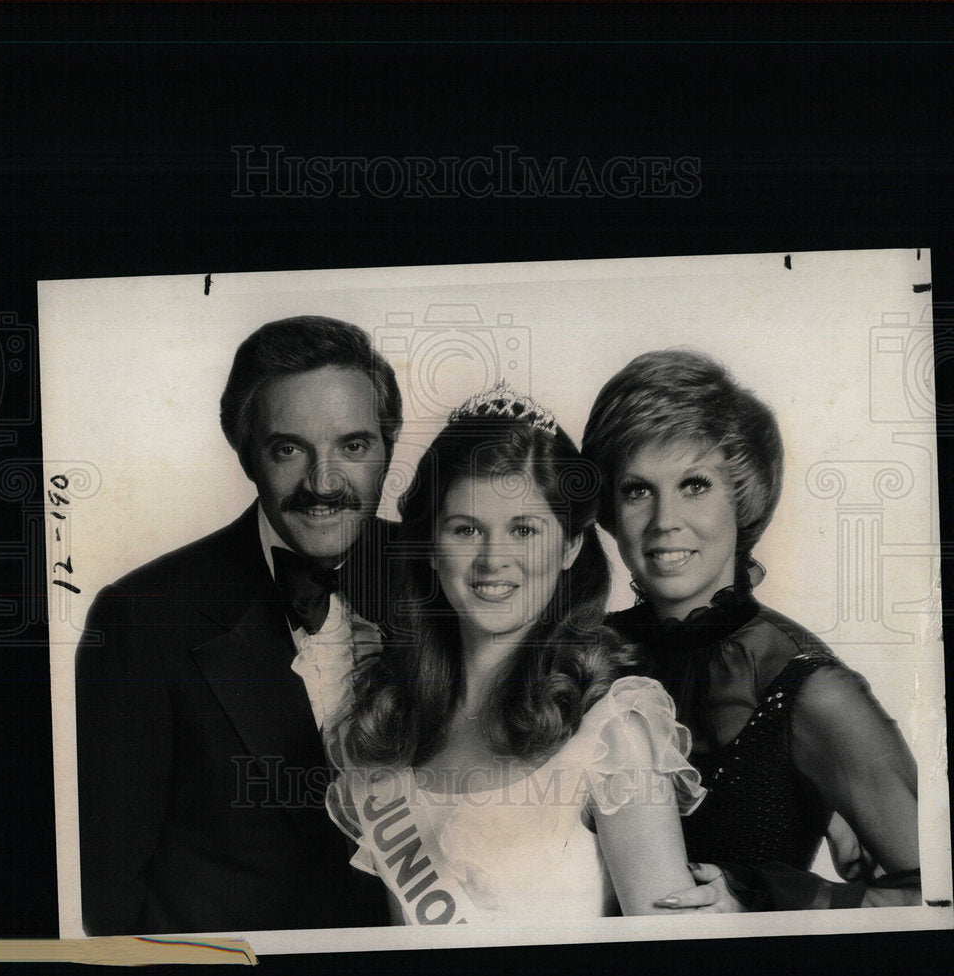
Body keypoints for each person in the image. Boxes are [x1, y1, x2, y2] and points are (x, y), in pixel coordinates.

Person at [324, 382, 706, 924]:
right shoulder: (389, 721)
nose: (491, 560)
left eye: (523, 529)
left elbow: (673, 953)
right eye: (465, 529)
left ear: (571, 545)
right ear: (431, 546)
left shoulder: (610, 732)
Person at [74, 316, 399, 934]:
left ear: (388, 446)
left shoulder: (446, 578)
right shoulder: (140, 618)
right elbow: (110, 897)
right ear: (246, 452)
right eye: (289, 448)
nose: (324, 483)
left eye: (353, 446)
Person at [581, 348, 921, 911]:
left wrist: (765, 899)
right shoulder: (584, 653)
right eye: (637, 489)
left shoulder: (810, 690)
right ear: (610, 511)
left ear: (742, 495)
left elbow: (937, 894)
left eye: (695, 485)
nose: (665, 521)